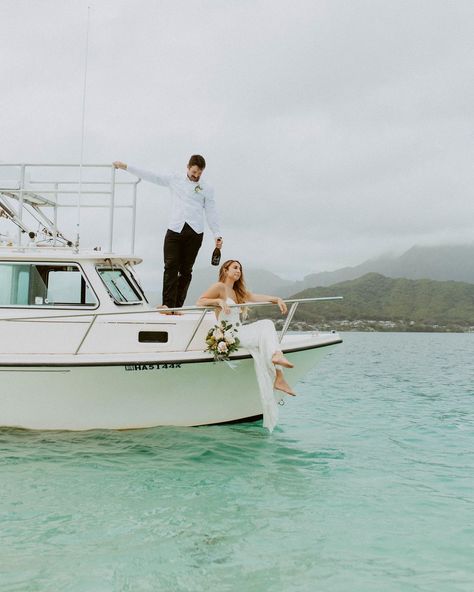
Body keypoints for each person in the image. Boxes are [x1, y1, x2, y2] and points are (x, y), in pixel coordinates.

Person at [197, 259, 295, 432]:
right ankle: (277, 364)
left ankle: (279, 374)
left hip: (239, 331)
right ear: (226, 270)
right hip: (230, 334)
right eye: (235, 268)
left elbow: (257, 297)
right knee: (265, 327)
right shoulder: (220, 287)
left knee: (266, 324)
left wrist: (277, 299)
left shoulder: (238, 292)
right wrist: (218, 302)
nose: (238, 271)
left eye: (240, 269)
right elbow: (201, 301)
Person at [113, 156, 223, 310]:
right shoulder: (174, 178)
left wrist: (217, 234)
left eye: (199, 173)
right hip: (175, 229)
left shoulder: (207, 188)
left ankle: (177, 306)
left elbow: (211, 211)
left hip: (195, 232)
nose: (196, 176)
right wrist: (126, 167)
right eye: (194, 172)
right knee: (170, 266)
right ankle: (168, 305)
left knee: (186, 271)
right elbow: (152, 175)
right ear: (188, 167)